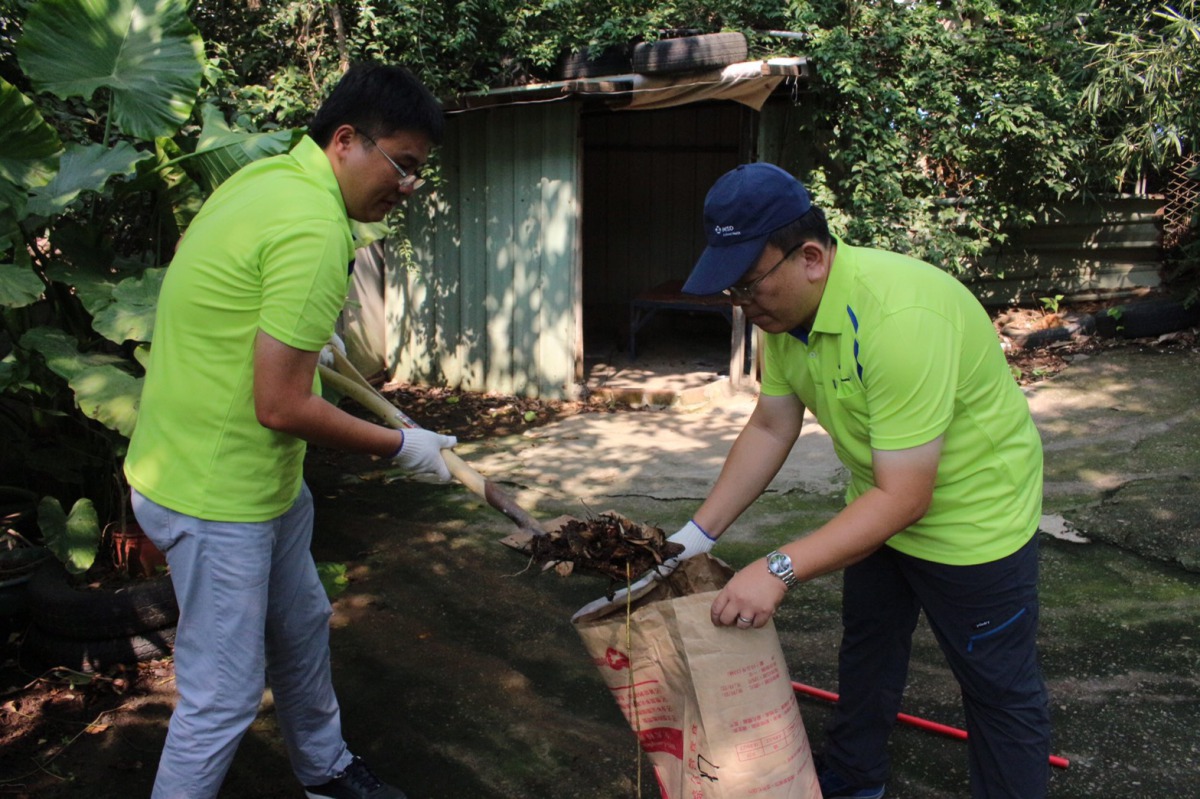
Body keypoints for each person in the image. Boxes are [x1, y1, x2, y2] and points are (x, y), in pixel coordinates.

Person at [624, 163, 1050, 798]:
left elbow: (908, 495)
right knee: (868, 654)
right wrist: (694, 536)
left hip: (973, 522)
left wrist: (778, 567)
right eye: (732, 293)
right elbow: (771, 426)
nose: (742, 305)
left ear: (813, 258)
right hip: (876, 510)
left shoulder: (899, 318)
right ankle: (854, 784)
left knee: (998, 692)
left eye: (748, 286)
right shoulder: (784, 320)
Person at [124, 63, 456, 799]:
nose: (407, 187)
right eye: (402, 164)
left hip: (239, 475)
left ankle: (327, 770)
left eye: (417, 172)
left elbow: (216, 286)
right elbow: (279, 406)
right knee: (222, 698)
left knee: (302, 621)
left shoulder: (267, 180)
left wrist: (305, 344)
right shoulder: (311, 226)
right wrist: (404, 445)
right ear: (346, 140)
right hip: (218, 494)